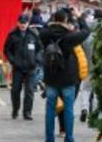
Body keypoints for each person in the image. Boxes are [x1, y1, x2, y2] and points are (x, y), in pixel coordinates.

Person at [38, 9, 90, 142]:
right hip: (68, 78)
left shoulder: (45, 34)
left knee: (50, 109)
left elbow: (43, 28)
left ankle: (49, 138)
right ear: (66, 20)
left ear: (53, 19)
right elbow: (86, 31)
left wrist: (51, 20)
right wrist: (79, 17)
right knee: (68, 109)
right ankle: (69, 137)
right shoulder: (70, 36)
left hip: (51, 77)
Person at [3, 12, 41, 120]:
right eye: (21, 23)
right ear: (17, 23)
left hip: (31, 67)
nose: (23, 25)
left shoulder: (34, 34)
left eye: (25, 23)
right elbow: (7, 50)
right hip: (18, 67)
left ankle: (27, 112)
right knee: (15, 90)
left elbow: (40, 49)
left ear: (28, 23)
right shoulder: (12, 35)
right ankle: (15, 109)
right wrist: (13, 60)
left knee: (29, 91)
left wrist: (36, 60)